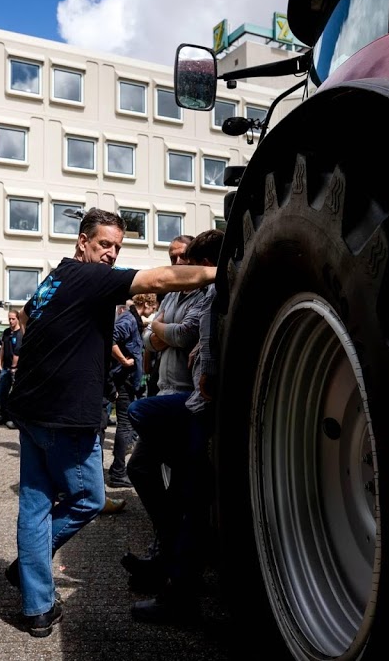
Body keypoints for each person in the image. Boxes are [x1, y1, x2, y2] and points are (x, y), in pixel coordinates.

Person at [2, 208, 216, 638]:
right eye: (104, 245)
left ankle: (37, 607)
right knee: (87, 499)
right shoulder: (89, 278)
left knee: (36, 503)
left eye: (117, 247)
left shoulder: (54, 279)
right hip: (65, 416)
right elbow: (158, 281)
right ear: (82, 242)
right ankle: (31, 569)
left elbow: (26, 317)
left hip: (32, 410)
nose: (111, 254)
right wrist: (221, 270)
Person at [123, 229, 224, 624]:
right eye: (172, 257)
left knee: (187, 495)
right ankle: (168, 555)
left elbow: (190, 338)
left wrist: (167, 336)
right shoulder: (175, 295)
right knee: (145, 471)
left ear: (202, 264)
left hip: (188, 400)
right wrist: (162, 335)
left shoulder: (210, 293)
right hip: (172, 393)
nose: (176, 265)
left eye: (184, 258)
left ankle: (176, 581)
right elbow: (152, 338)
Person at [105, 294, 154, 488]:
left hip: (128, 381)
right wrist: (124, 361)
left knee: (127, 426)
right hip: (124, 380)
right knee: (125, 426)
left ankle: (117, 469)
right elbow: (111, 339)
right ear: (148, 304)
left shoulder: (133, 319)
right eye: (154, 305)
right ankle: (118, 472)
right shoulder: (128, 319)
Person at [144, 235, 193, 397]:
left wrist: (158, 327)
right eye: (173, 258)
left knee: (136, 411)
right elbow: (146, 338)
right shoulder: (170, 296)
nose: (178, 262)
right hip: (163, 389)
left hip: (190, 391)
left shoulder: (204, 294)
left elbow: (183, 336)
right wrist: (167, 335)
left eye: (183, 256)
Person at [0, 309, 23, 429]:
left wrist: (14, 367)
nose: (11, 321)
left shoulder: (20, 333)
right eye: (9, 319)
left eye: (13, 319)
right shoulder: (6, 332)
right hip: (5, 368)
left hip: (15, 369)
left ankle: (14, 420)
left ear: (18, 319)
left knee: (14, 395)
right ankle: (4, 417)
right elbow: (2, 349)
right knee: (2, 393)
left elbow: (18, 352)